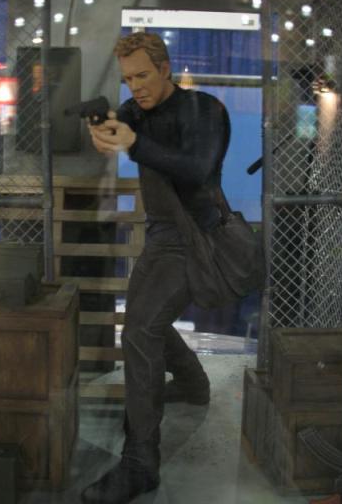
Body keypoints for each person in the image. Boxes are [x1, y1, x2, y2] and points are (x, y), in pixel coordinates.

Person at [81, 32, 230, 504]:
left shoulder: (205, 110)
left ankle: (141, 462)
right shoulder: (137, 110)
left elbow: (198, 168)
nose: (136, 87)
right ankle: (192, 383)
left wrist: (134, 143)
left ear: (165, 68)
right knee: (145, 320)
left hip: (198, 236)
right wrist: (103, 130)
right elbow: (118, 126)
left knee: (140, 331)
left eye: (143, 75)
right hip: (163, 235)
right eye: (128, 79)